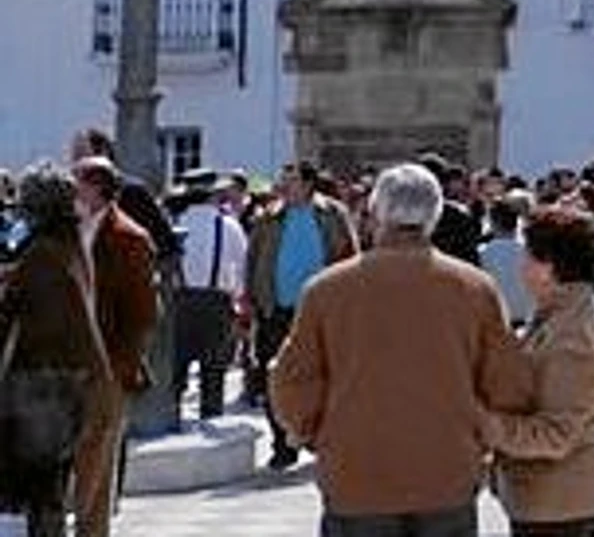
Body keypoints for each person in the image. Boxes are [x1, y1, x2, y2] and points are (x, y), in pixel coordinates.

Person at [270, 163, 531, 537]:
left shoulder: (326, 290)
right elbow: (508, 383)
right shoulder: (475, 289)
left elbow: (293, 381)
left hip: (356, 472)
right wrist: (481, 431)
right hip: (446, 470)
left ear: (375, 212)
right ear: (435, 214)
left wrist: (315, 434)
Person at [484, 205, 594, 537]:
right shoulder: (558, 312)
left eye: (528, 256)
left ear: (549, 266)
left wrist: (484, 425)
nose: (521, 265)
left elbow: (556, 435)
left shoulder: (573, 338)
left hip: (561, 505)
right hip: (550, 500)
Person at [0, 164, 108, 537]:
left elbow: (18, 310)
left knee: (40, 487)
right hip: (69, 380)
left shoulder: (44, 253)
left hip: (43, 382)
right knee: (51, 485)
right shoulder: (69, 244)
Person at [244, 161, 357, 470]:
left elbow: (350, 255)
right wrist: (251, 298)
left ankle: (324, 439)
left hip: (323, 311)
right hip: (276, 309)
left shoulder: (332, 214)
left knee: (327, 375)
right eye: (283, 180)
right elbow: (253, 260)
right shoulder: (269, 218)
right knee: (274, 375)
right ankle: (282, 442)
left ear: (309, 184)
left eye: (291, 181)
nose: (284, 186)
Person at [69, 156, 158, 537]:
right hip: (68, 358)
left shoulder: (129, 238)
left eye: (78, 183)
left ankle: (91, 529)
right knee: (72, 448)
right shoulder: (66, 231)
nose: (72, 191)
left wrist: (122, 366)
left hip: (108, 362)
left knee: (99, 454)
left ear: (97, 188)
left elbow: (143, 313)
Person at [170, 172, 247, 421]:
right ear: (214, 194)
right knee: (213, 377)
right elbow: (243, 268)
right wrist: (238, 298)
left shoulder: (173, 222)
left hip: (179, 303)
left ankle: (169, 425)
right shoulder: (229, 226)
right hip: (217, 305)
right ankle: (211, 429)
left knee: (174, 378)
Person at [481, 193, 536, 329]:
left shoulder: (482, 253)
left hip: (496, 323)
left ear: (492, 223)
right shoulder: (532, 253)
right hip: (528, 322)